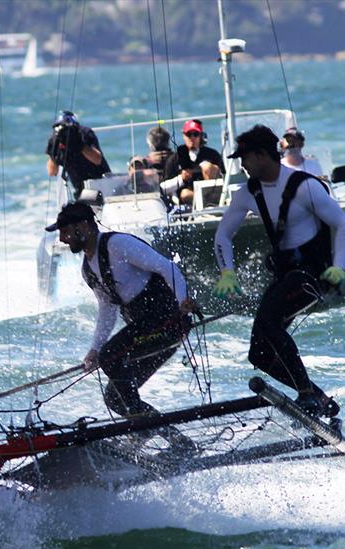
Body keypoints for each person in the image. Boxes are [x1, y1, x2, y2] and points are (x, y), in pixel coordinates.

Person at [212, 124, 345, 417]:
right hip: (286, 277)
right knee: (259, 353)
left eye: (245, 158)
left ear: (263, 155)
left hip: (311, 275)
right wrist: (228, 272)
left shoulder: (305, 186)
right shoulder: (248, 193)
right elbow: (223, 235)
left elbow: (342, 224)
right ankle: (318, 396)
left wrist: (339, 268)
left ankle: (304, 394)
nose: (243, 165)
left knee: (269, 321)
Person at [46, 202, 197, 417]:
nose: (62, 239)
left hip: (168, 321)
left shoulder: (118, 244)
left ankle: (141, 422)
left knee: (111, 354)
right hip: (145, 332)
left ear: (84, 226)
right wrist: (95, 350)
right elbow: (107, 308)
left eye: (65, 231)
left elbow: (167, 267)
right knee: (114, 397)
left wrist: (184, 301)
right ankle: (172, 438)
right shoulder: (88, 269)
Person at [46, 110, 110, 198]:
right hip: (80, 189)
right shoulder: (57, 140)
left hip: (101, 182)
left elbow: (97, 159)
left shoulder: (85, 134)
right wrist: (54, 150)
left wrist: (80, 145)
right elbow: (52, 172)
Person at [162, 119, 225, 206]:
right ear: (184, 135)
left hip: (214, 197)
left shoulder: (212, 154)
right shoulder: (174, 159)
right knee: (185, 193)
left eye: (195, 134)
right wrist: (181, 178)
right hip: (188, 201)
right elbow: (163, 188)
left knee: (208, 167)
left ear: (201, 136)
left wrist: (212, 170)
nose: (192, 138)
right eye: (188, 134)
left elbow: (225, 176)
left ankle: (212, 203)